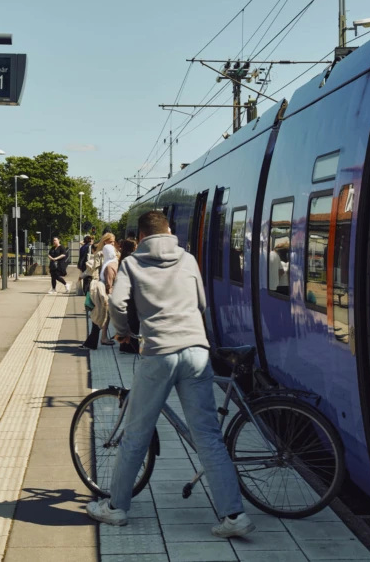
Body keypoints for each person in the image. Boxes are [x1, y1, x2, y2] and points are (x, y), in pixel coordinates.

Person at [87, 210, 255, 538]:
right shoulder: (188, 260)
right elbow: (202, 304)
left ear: (143, 234)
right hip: (195, 351)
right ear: (168, 231)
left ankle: (116, 507)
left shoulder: (133, 263)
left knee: (136, 434)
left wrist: (125, 333)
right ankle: (234, 516)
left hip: (159, 353)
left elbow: (119, 306)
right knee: (208, 436)